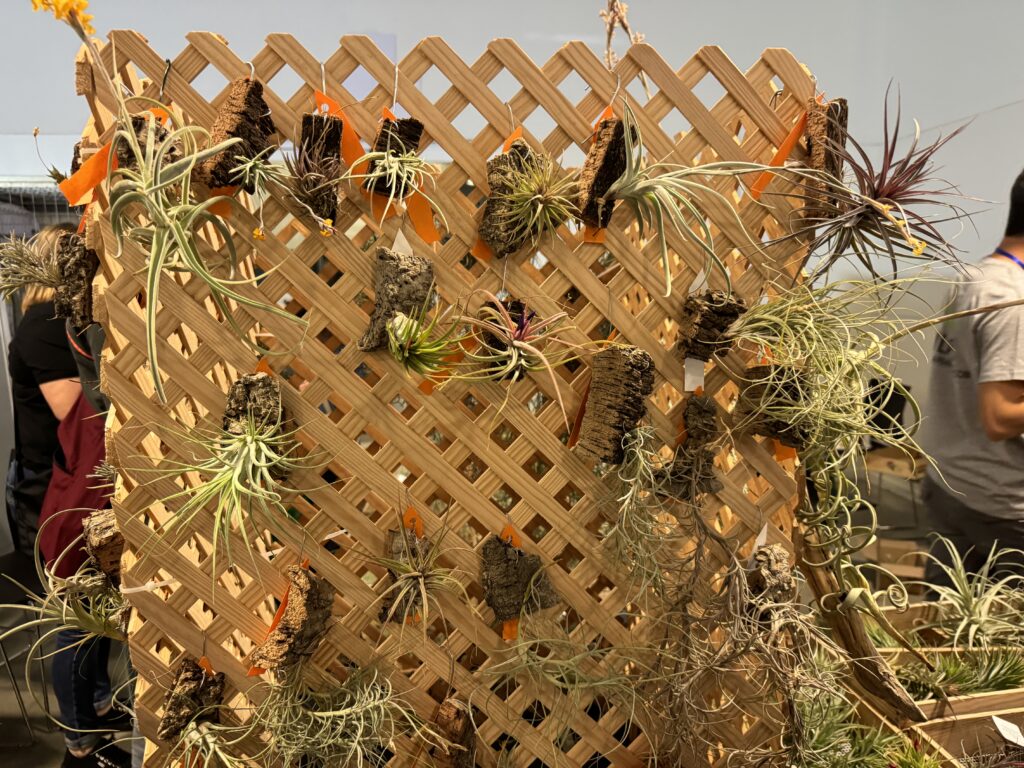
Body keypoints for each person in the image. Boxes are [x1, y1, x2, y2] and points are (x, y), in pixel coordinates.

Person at [920, 169, 1024, 581]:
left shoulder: (974, 276)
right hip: (1004, 509)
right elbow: (1000, 417)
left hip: (951, 484)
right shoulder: (1013, 299)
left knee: (949, 616)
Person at [5, 225, 81, 554]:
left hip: (56, 478)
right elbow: (74, 413)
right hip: (50, 486)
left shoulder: (50, 321)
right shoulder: (45, 323)